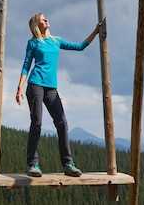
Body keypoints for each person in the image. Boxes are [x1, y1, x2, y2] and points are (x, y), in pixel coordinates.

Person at [15, 12, 101, 178]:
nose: (47, 20)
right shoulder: (33, 43)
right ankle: (32, 164)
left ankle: (68, 164)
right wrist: (19, 88)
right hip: (35, 85)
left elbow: (81, 46)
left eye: (47, 18)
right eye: (43, 19)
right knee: (37, 123)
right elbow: (26, 65)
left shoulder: (56, 41)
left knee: (62, 123)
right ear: (36, 25)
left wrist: (96, 32)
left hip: (51, 88)